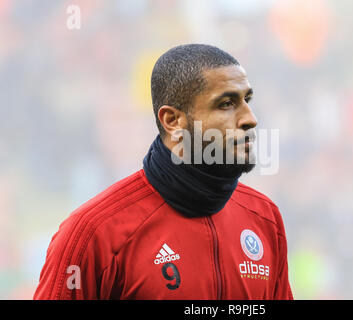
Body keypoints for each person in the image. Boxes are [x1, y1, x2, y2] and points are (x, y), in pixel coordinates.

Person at [34, 44, 293, 299]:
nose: (250, 118)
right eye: (226, 104)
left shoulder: (265, 219)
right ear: (172, 121)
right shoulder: (94, 234)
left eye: (246, 100)